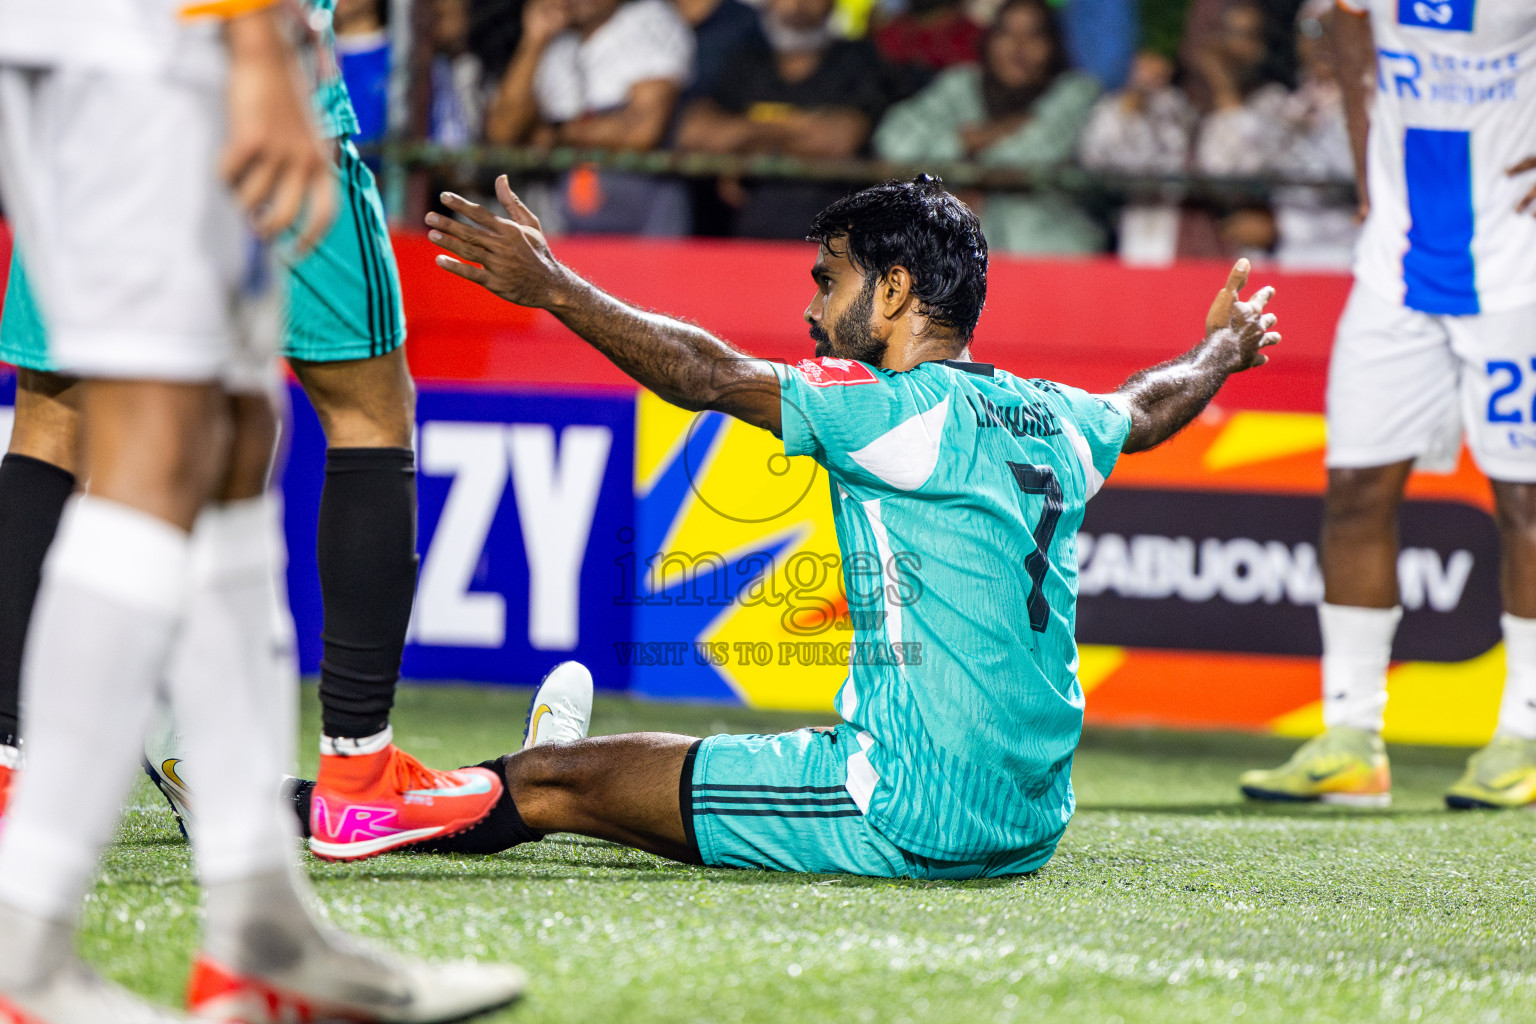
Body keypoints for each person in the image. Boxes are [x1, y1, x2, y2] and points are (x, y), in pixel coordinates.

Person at [324, 175, 1279, 880]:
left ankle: (325, 809)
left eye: (830, 281)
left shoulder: (889, 407)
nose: (813, 308)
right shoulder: (1056, 413)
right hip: (1032, 822)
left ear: (896, 292)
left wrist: (558, 288)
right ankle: (556, 759)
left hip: (908, 813)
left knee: (554, 788)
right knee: (614, 775)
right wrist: (1223, 349)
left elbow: (701, 371)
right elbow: (1151, 403)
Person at [0, 1, 524, 1020]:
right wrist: (251, 38)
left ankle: (257, 927)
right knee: (161, 447)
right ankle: (27, 947)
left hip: (111, 49)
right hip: (164, 52)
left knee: (229, 441)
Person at [1240, 0, 1536, 809]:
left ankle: (1527, 734)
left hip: (1517, 264)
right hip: (1394, 267)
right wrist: (1371, 171)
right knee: (1357, 489)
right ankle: (1351, 738)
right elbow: (1347, 32)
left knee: (1526, 501)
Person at [872, 0, 1105, 255]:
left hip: (1047, 251)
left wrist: (957, 170)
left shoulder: (1076, 91)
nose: (1018, 47)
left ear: (1054, 45)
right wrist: (970, 140)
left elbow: (1031, 154)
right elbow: (894, 143)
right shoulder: (961, 83)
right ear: (989, 40)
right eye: (1006, 33)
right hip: (956, 259)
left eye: (1034, 35)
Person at [675, 0, 889, 239]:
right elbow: (696, 132)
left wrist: (746, 145)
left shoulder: (857, 59)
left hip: (834, 245)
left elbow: (839, 138)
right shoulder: (746, 61)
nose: (798, 6)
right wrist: (797, 127)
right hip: (746, 243)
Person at [485, 0, 695, 235]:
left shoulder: (650, 19)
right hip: (570, 224)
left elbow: (641, 132)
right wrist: (534, 39)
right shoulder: (557, 41)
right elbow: (502, 133)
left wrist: (556, 134)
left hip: (644, 223)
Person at [1077, 50, 1196, 264]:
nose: (1149, 70)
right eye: (1143, 62)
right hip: (1122, 212)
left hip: (1173, 214)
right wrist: (1127, 110)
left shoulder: (1177, 106)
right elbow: (1092, 157)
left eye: (1156, 61)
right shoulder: (1111, 106)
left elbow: (1172, 159)